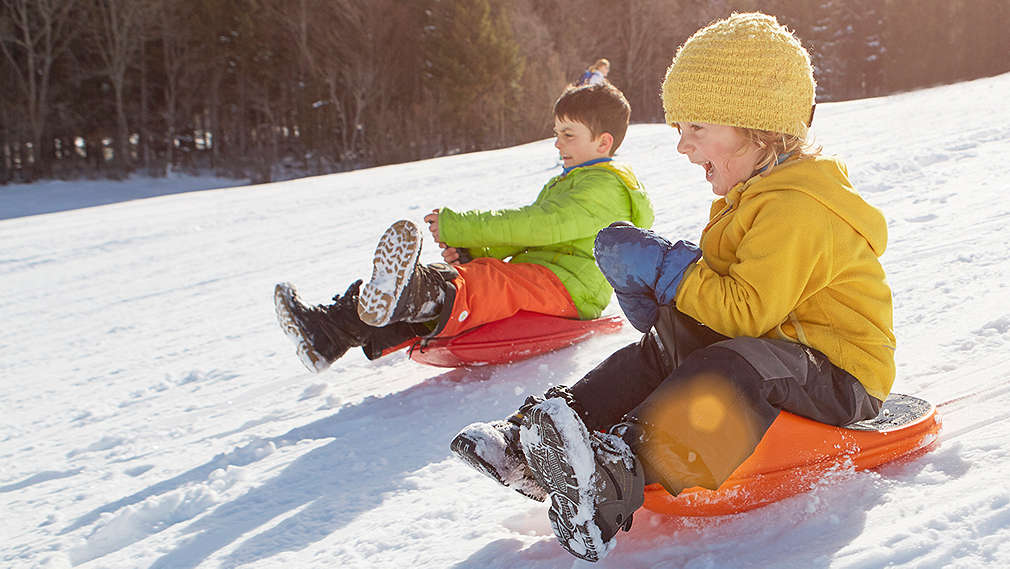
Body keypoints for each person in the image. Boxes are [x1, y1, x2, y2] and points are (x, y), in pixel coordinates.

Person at [450, 12, 895, 563]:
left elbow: (746, 312)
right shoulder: (753, 194)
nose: (683, 147)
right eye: (679, 129)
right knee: (662, 350)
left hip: (840, 372)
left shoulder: (798, 206)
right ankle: (534, 445)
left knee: (733, 367)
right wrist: (664, 301)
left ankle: (613, 477)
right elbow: (728, 307)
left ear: (758, 126)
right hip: (776, 346)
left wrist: (672, 270)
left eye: (697, 129)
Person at [274, 81, 654, 373]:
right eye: (556, 133)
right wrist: (475, 252)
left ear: (604, 141)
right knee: (459, 276)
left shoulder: (605, 186)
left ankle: (414, 295)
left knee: (484, 283)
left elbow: (541, 227)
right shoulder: (575, 179)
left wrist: (463, 229)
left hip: (571, 286)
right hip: (545, 275)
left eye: (568, 134)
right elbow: (536, 240)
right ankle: (327, 332)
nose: (557, 144)